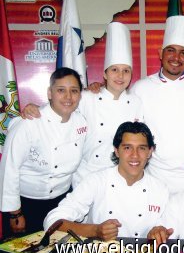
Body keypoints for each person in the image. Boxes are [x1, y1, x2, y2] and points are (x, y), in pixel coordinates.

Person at [21, 22, 143, 188]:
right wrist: (35, 107)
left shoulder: (136, 102)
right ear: (105, 73)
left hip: (120, 177)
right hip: (86, 177)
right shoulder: (86, 97)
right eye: (114, 70)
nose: (120, 75)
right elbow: (58, 110)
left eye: (126, 70)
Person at [44, 121, 169, 241]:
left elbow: (164, 227)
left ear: (150, 152)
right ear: (116, 151)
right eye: (127, 148)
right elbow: (52, 222)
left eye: (141, 148)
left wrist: (158, 232)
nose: (134, 155)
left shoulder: (160, 189)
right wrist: (95, 230)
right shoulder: (96, 181)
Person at [0, 67, 87, 236]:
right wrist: (14, 212)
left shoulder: (81, 122)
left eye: (74, 91)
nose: (68, 97)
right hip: (25, 205)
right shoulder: (27, 123)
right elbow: (8, 169)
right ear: (49, 93)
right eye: (61, 90)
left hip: (62, 204)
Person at [131, 15, 184, 194]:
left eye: (183, 52)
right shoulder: (141, 88)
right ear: (160, 53)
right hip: (154, 176)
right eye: (170, 50)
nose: (176, 57)